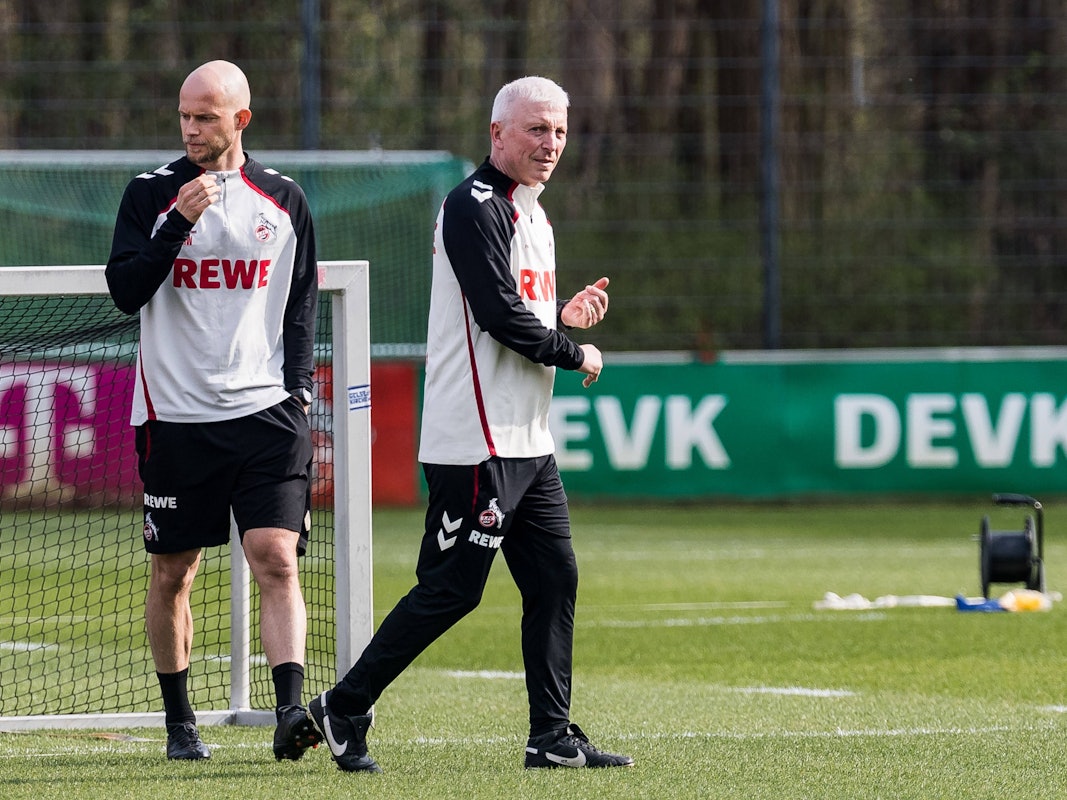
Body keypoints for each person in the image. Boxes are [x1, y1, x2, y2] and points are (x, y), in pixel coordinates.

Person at [308, 75, 633, 773]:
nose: (550, 144)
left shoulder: (535, 216)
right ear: (497, 134)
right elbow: (496, 315)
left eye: (559, 131)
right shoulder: (472, 205)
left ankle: (549, 736)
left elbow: (521, 316)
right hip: (475, 440)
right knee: (453, 588)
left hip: (528, 439)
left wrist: (562, 319)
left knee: (554, 580)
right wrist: (575, 351)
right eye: (536, 130)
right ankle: (345, 704)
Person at [105, 60, 322, 762]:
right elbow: (126, 290)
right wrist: (177, 225)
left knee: (276, 560)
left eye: (205, 117)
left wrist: (299, 389)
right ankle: (179, 721)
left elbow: (300, 302)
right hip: (175, 417)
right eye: (184, 116)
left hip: (267, 415)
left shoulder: (284, 200)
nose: (192, 129)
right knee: (174, 573)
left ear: (241, 120)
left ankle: (290, 712)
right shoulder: (150, 195)